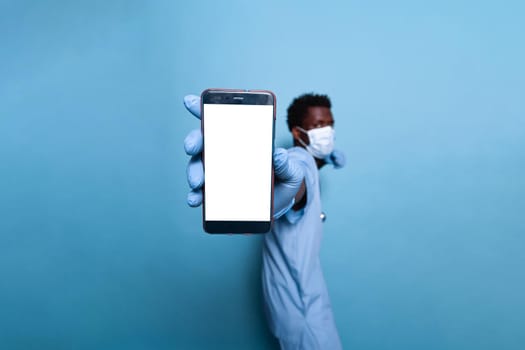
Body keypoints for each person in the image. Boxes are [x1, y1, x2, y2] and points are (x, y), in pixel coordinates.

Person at [183, 93, 345, 349]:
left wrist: (323, 161)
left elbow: (309, 168)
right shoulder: (299, 161)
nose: (325, 132)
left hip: (290, 298)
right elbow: (298, 177)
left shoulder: (310, 160)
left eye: (329, 125)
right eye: (317, 126)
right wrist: (287, 192)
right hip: (303, 307)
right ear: (297, 131)